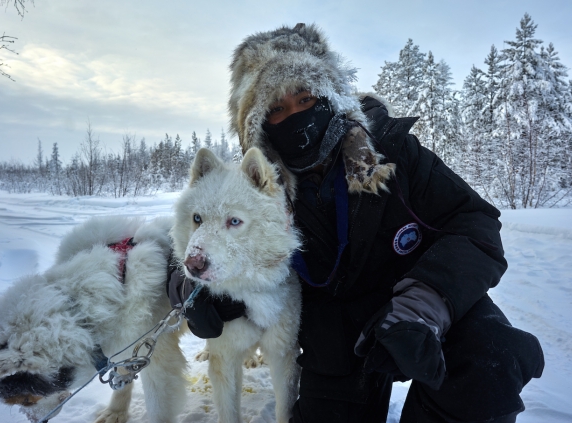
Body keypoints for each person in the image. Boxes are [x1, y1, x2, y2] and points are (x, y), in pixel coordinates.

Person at [173, 23, 544, 422]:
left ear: (330, 95)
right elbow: (193, 228)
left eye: (304, 98)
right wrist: (187, 290)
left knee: (491, 359)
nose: (295, 116)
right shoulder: (256, 186)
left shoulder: (392, 151)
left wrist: (424, 306)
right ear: (257, 124)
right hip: (336, 334)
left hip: (423, 308)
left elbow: (474, 223)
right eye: (276, 109)